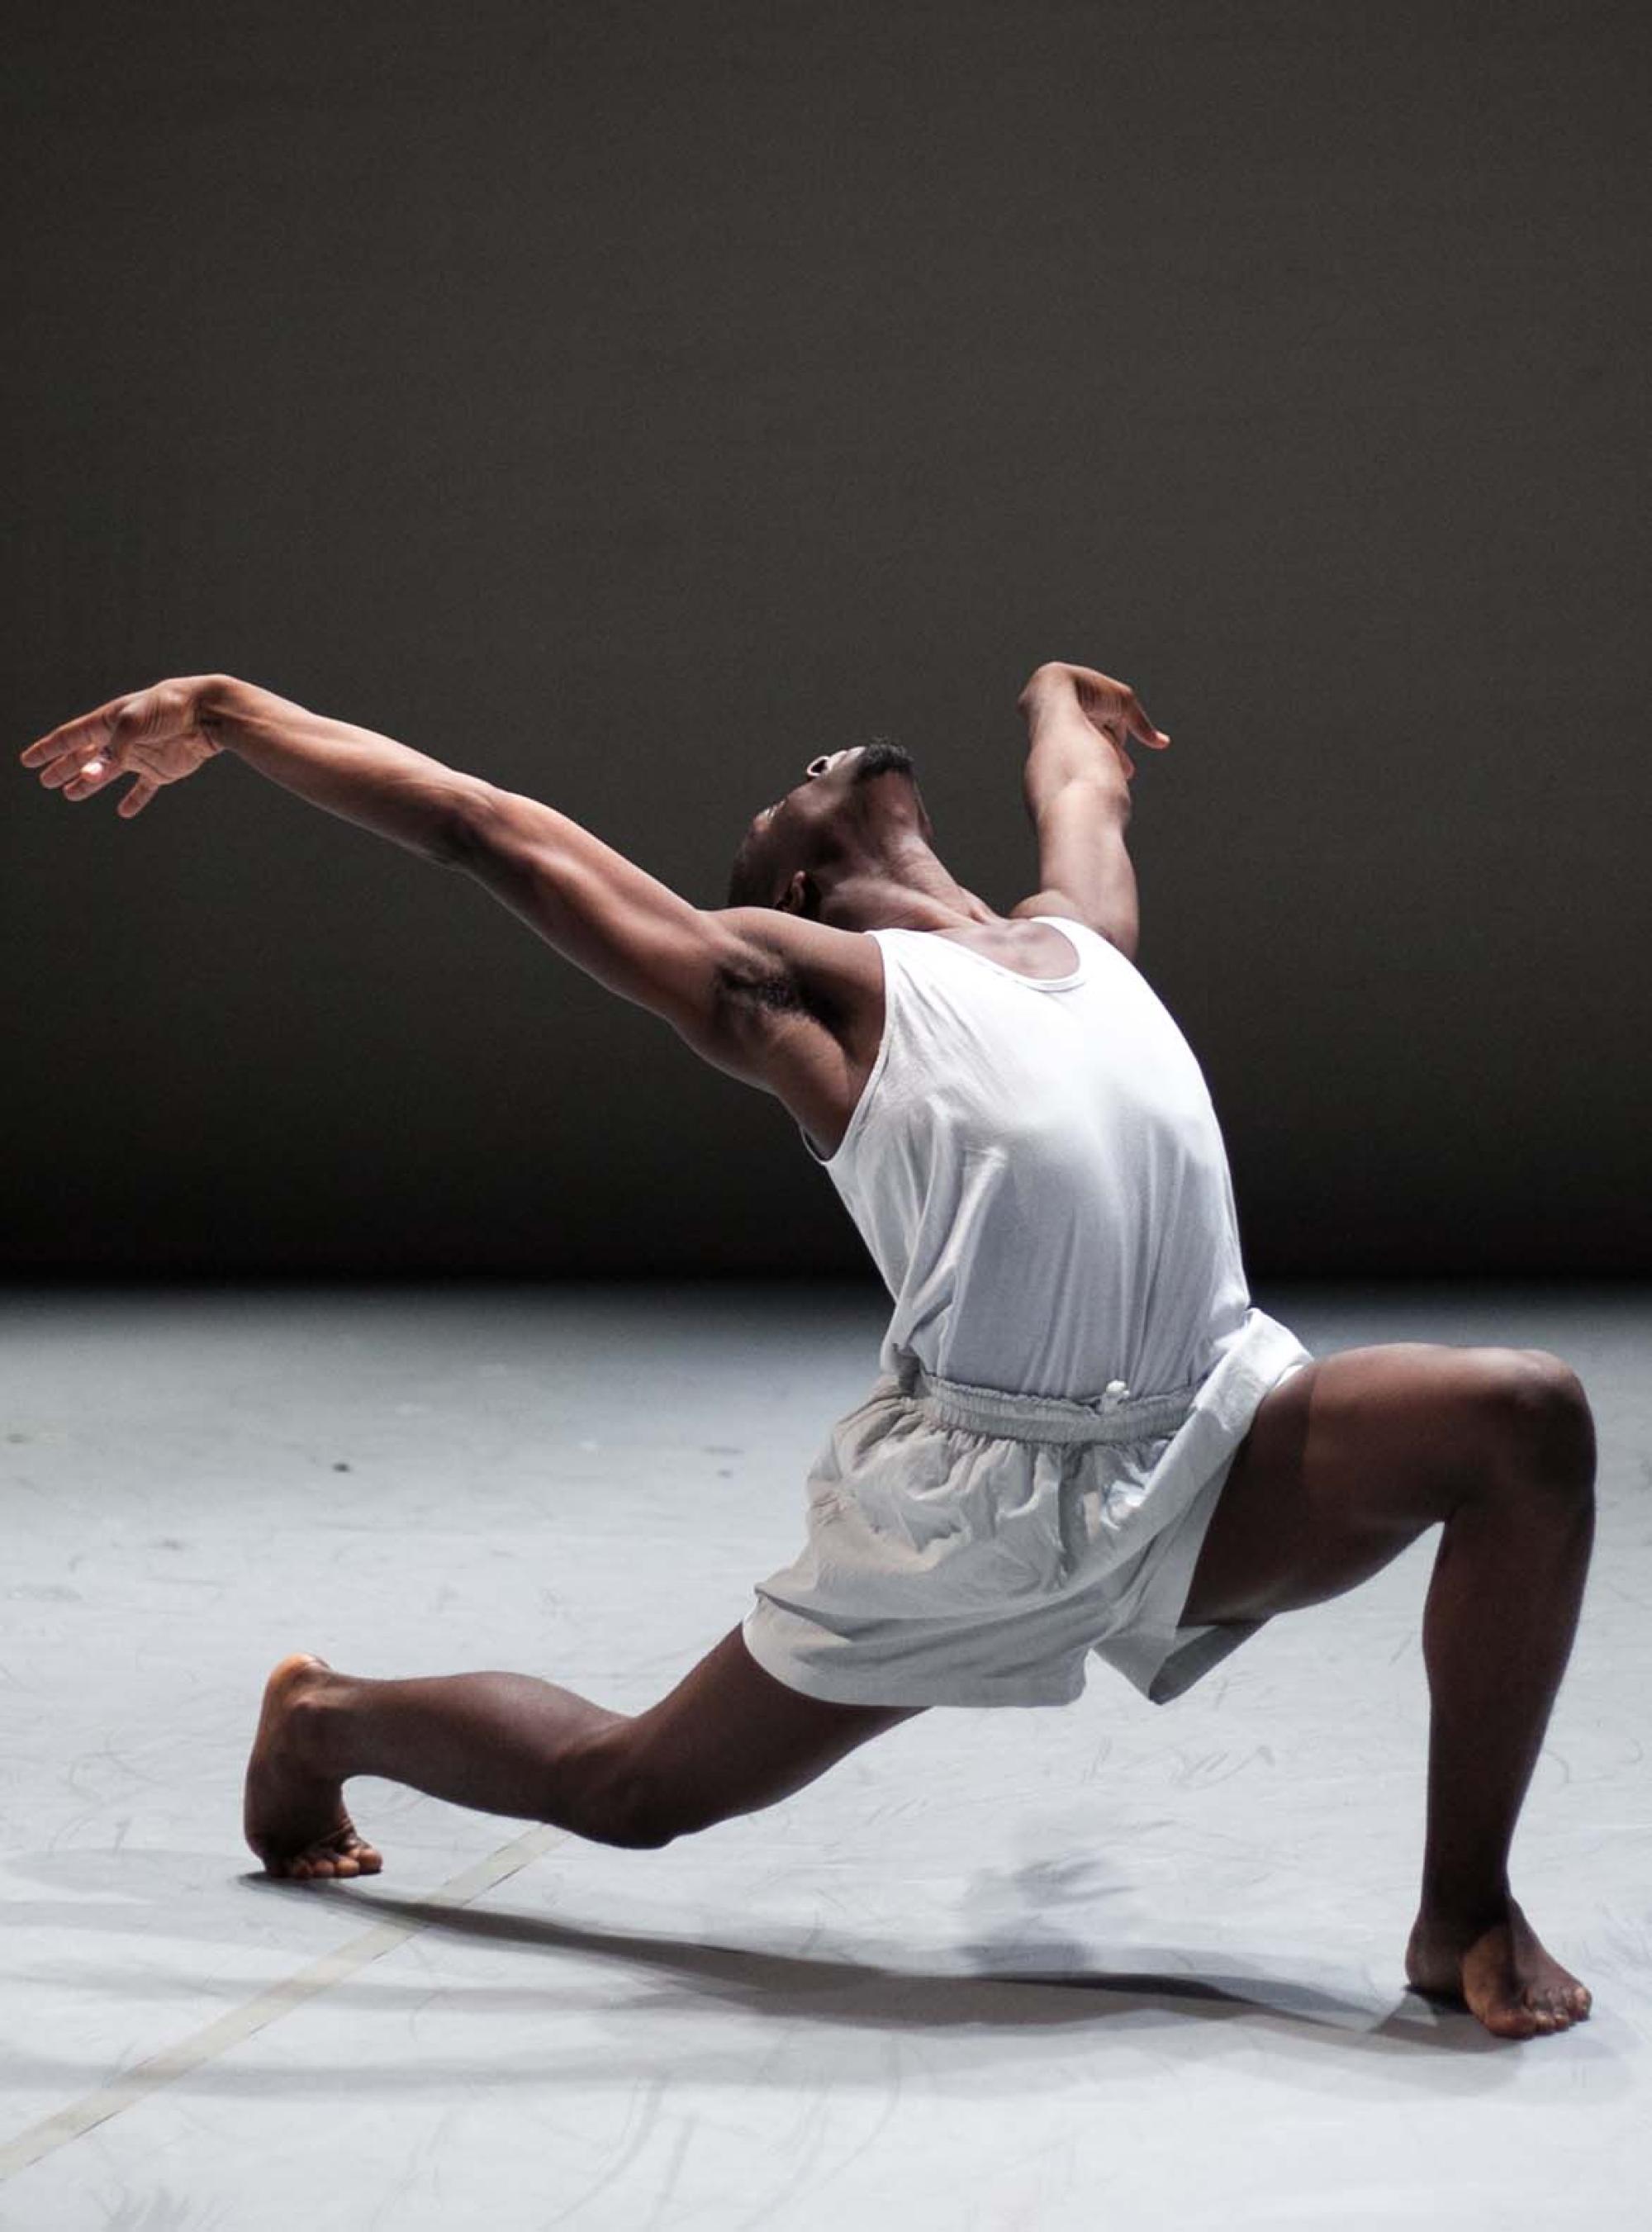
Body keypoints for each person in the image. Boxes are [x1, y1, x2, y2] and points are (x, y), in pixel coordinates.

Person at [18, 660, 1597, 2040]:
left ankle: (1462, 1909)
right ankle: (322, 1721)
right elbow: (479, 824)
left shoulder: (1081, 942)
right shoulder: (811, 1001)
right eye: (790, 789)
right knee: (630, 1792)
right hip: (971, 1518)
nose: (820, 757)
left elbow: (1079, 783)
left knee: (1522, 1419)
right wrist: (227, 712)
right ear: (790, 886)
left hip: (1214, 1446)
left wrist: (1060, 689)